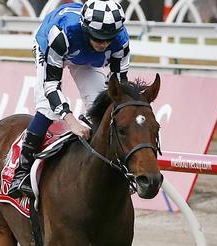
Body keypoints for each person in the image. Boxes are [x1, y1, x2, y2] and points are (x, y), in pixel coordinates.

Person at [7, 0, 130, 198]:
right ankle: (21, 172)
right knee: (48, 108)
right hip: (53, 45)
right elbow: (51, 86)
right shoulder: (61, 33)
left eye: (108, 39)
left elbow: (118, 89)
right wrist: (70, 120)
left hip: (82, 55)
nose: (103, 44)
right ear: (85, 28)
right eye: (98, 38)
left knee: (103, 106)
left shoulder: (121, 41)